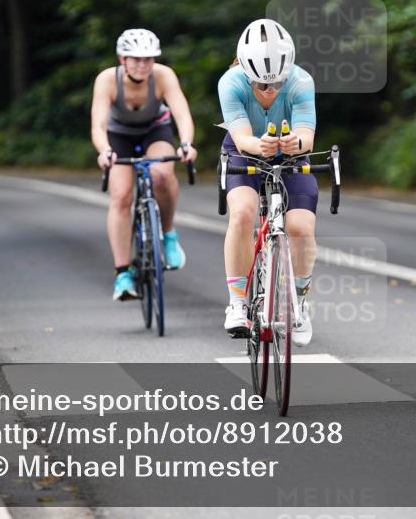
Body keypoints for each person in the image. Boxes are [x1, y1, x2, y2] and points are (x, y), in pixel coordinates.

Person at [218, 18, 317, 346]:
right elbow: (242, 136)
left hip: (289, 155)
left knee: (301, 226)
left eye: (277, 82)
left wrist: (295, 144)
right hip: (246, 151)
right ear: (246, 72)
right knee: (243, 213)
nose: (270, 90)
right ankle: (237, 302)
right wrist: (258, 146)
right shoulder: (230, 82)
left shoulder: (301, 80)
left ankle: (299, 302)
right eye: (261, 84)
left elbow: (307, 136)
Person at [90, 28, 197, 301]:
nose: (142, 64)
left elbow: (182, 114)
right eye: (135, 58)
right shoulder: (107, 80)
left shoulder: (163, 76)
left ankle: (169, 235)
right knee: (121, 196)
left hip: (155, 130)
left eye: (148, 59)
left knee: (161, 174)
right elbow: (99, 124)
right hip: (118, 135)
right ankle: (122, 274)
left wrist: (186, 143)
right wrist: (104, 151)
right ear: (122, 59)